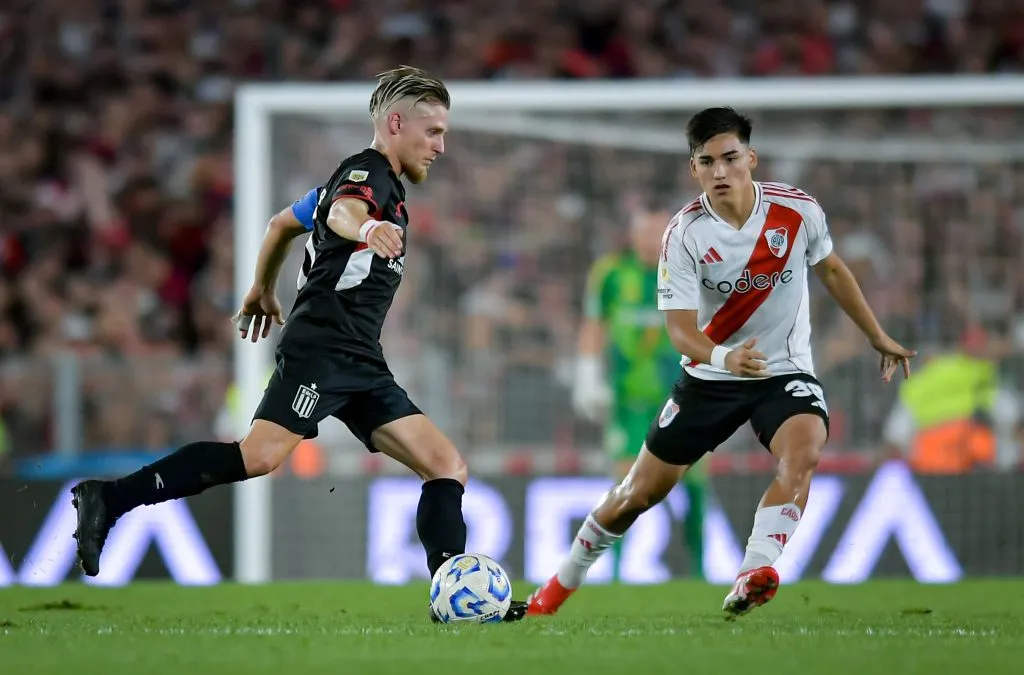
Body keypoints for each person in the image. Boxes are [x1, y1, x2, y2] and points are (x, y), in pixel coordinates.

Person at [69, 66, 527, 622]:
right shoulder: (369, 173)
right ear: (396, 123)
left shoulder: (366, 181)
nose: (441, 146)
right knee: (258, 456)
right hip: (322, 351)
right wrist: (364, 230)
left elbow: (280, 223)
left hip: (359, 359)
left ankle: (454, 593)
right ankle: (108, 499)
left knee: (446, 466)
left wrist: (262, 287)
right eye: (432, 132)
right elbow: (343, 213)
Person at [527, 107, 915, 618]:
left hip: (783, 371)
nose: (720, 171)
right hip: (710, 378)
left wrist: (877, 335)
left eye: (731, 158)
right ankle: (555, 590)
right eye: (707, 162)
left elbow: (834, 271)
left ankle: (754, 570)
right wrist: (726, 357)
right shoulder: (683, 234)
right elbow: (680, 332)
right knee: (636, 495)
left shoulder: (797, 211)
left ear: (750, 158)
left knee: (803, 452)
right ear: (694, 169)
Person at [572, 206, 706, 581]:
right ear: (632, 234)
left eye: (658, 231)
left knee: (692, 484)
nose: (651, 239)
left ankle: (698, 572)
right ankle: (616, 573)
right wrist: (587, 375)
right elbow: (594, 324)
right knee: (625, 483)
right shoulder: (611, 273)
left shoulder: (688, 272)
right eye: (644, 231)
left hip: (682, 397)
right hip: (628, 399)